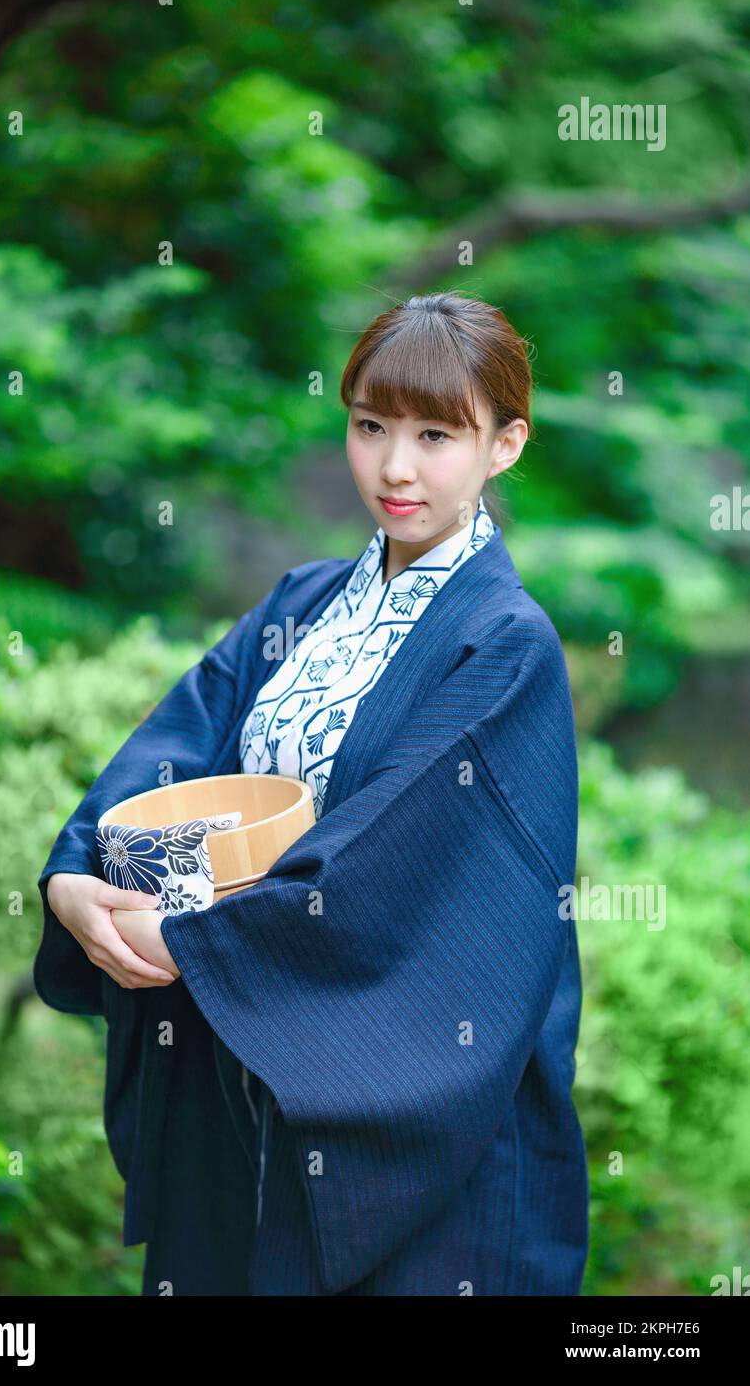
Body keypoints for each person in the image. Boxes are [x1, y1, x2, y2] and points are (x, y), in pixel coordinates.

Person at [35, 290, 589, 1296]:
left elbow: (389, 863)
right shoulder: (301, 601)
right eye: (369, 425)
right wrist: (76, 875)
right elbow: (170, 748)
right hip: (233, 1047)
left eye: (435, 434)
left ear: (504, 445)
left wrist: (190, 944)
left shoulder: (502, 644)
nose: (394, 467)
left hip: (412, 1089)